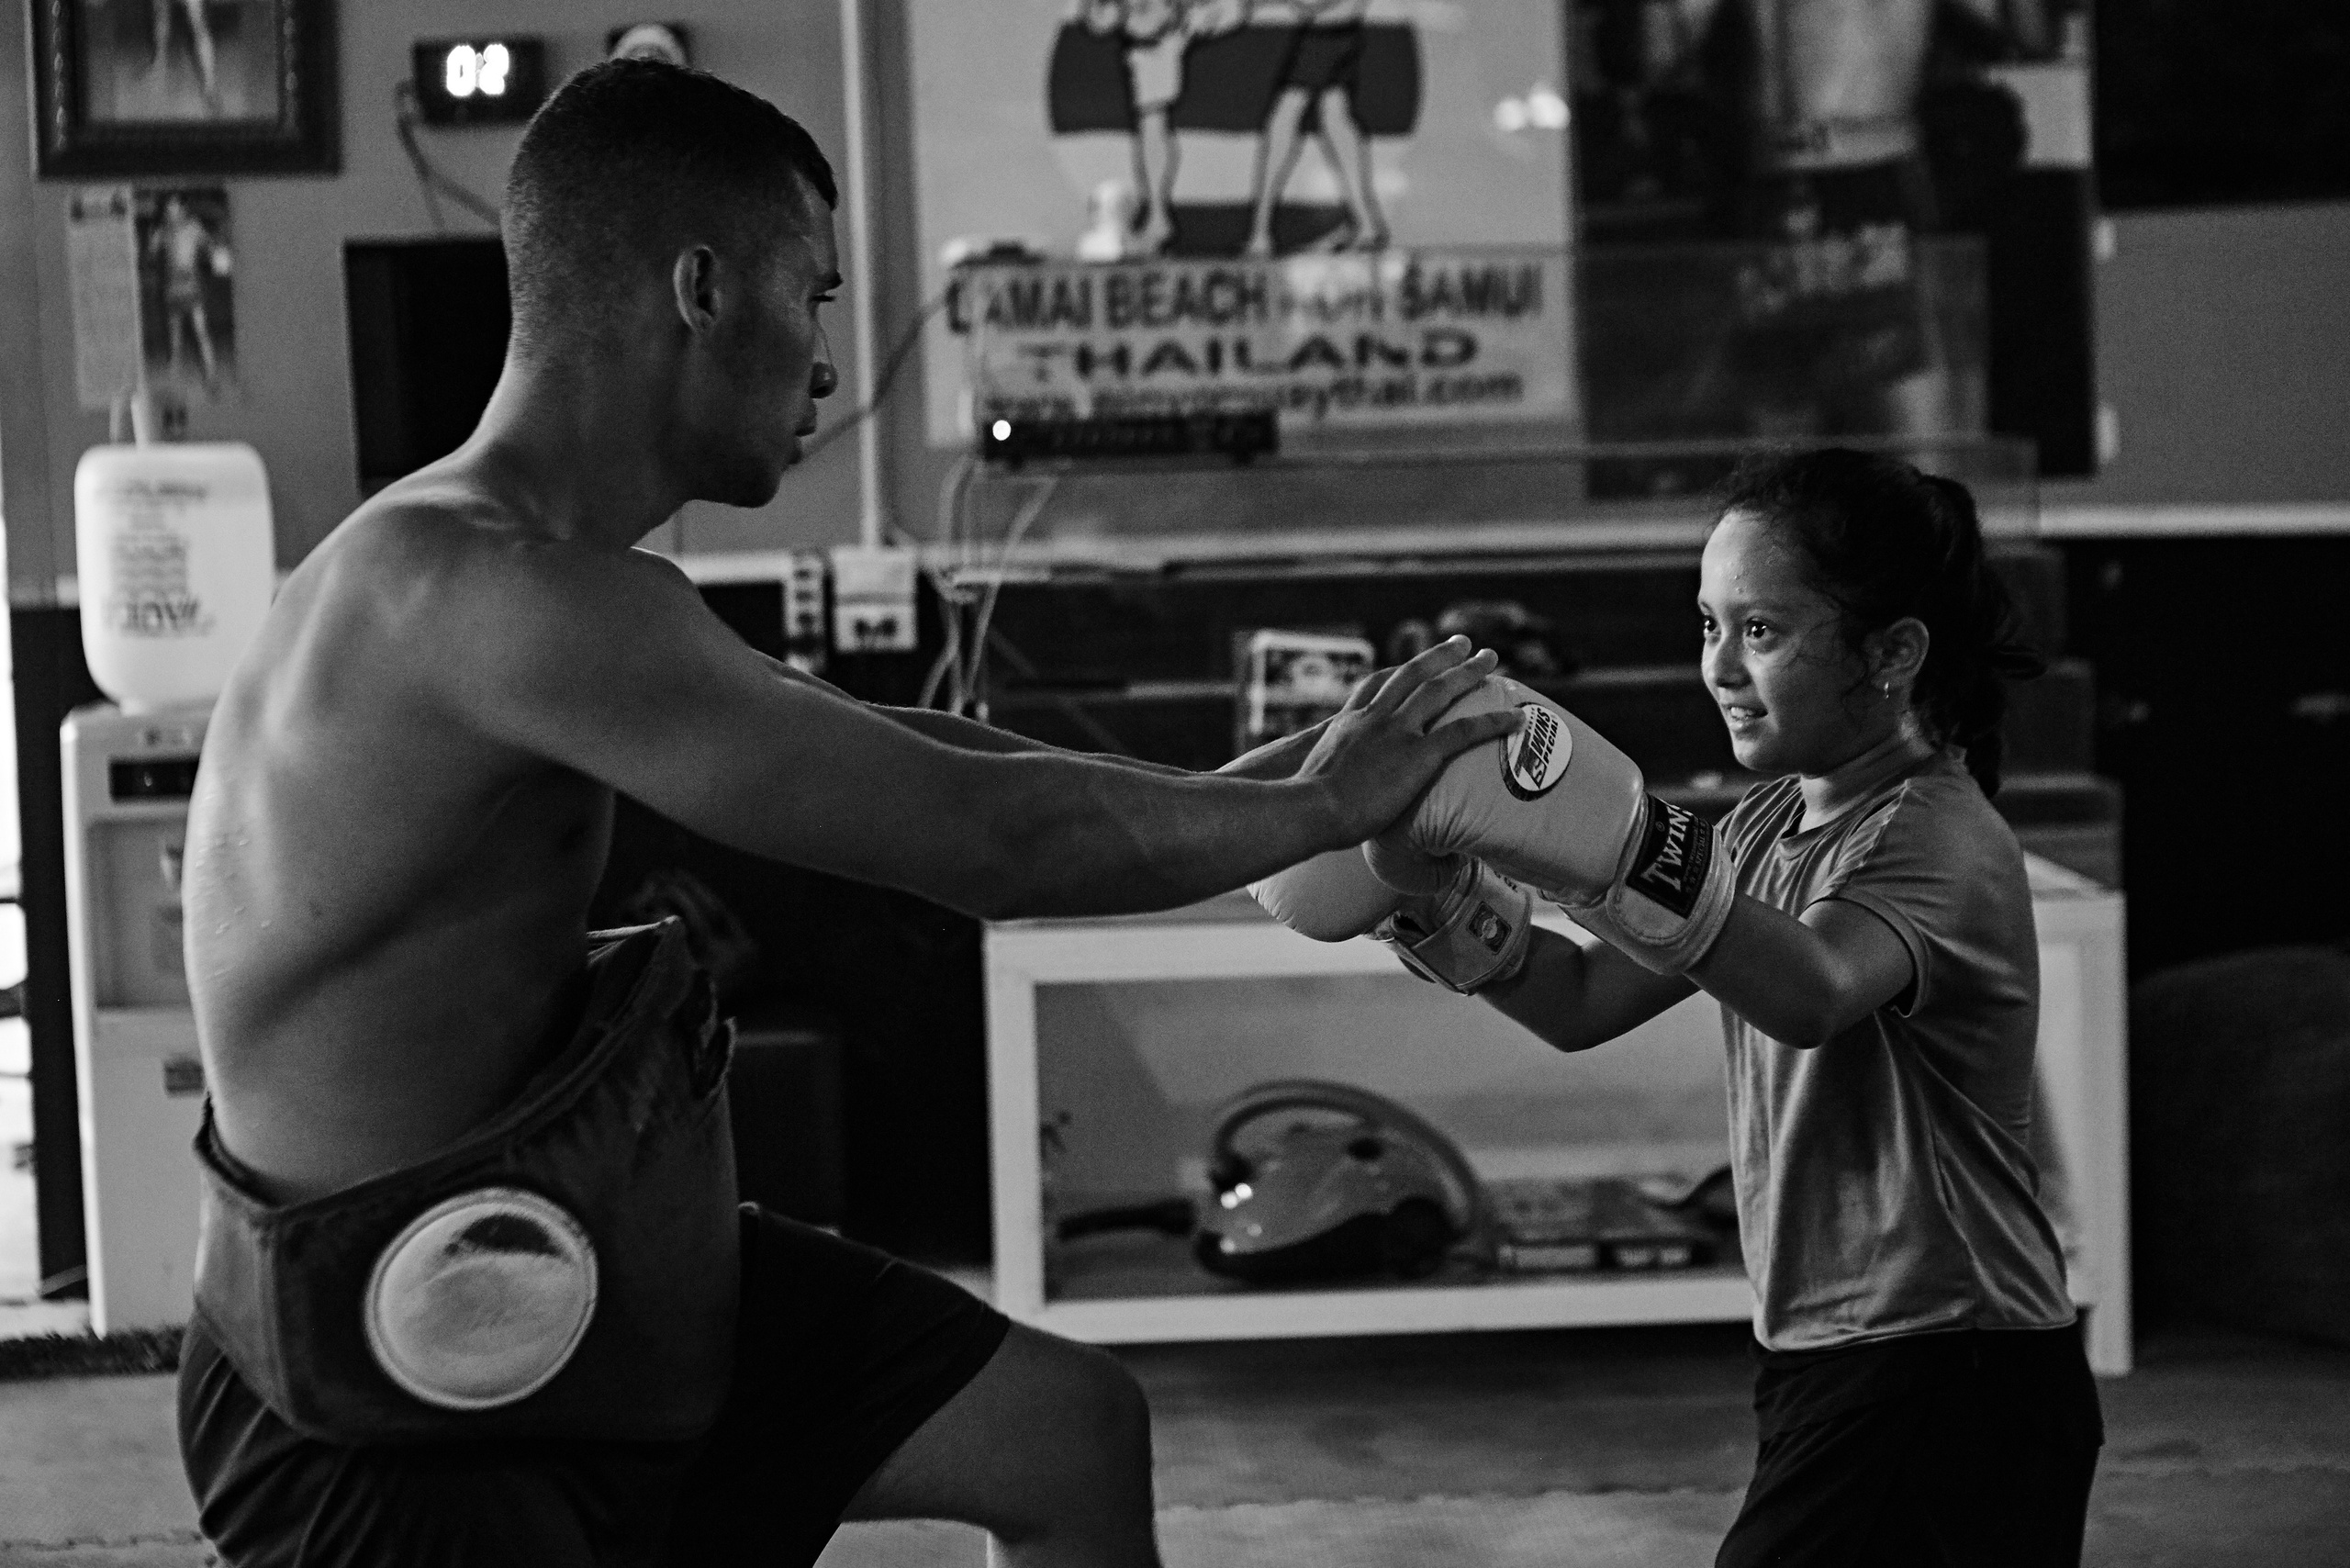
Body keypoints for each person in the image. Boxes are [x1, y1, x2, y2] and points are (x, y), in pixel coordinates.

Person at [174, 59, 1519, 1568]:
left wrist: (1277, 778)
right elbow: (986, 840)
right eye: (809, 294)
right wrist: (1337, 799)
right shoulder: (491, 594)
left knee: (1064, 1429)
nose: (827, 358)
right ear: (699, 286)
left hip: (556, 1268)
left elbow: (910, 749)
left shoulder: (517, 574)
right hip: (395, 1381)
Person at [1255, 448, 2103, 1564]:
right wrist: (1430, 894)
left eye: (1761, 630)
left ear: (1892, 653)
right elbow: (1580, 999)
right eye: (1707, 625)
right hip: (1828, 1348)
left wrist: (1608, 849)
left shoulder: (1933, 836)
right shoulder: (1759, 831)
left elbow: (1813, 988)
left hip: (1952, 1356)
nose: (1720, 667)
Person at [1628, 0, 2052, 438]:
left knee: (1916, 435)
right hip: (1774, 190)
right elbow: (1658, 57)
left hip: (1874, 182)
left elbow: (2033, 36)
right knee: (1781, 446)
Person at [1241, 0, 1389, 257]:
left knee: (1284, 122)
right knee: (1335, 119)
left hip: (1323, 36)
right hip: (1338, 33)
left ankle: (1260, 234)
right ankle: (1366, 224)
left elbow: (1315, 2)